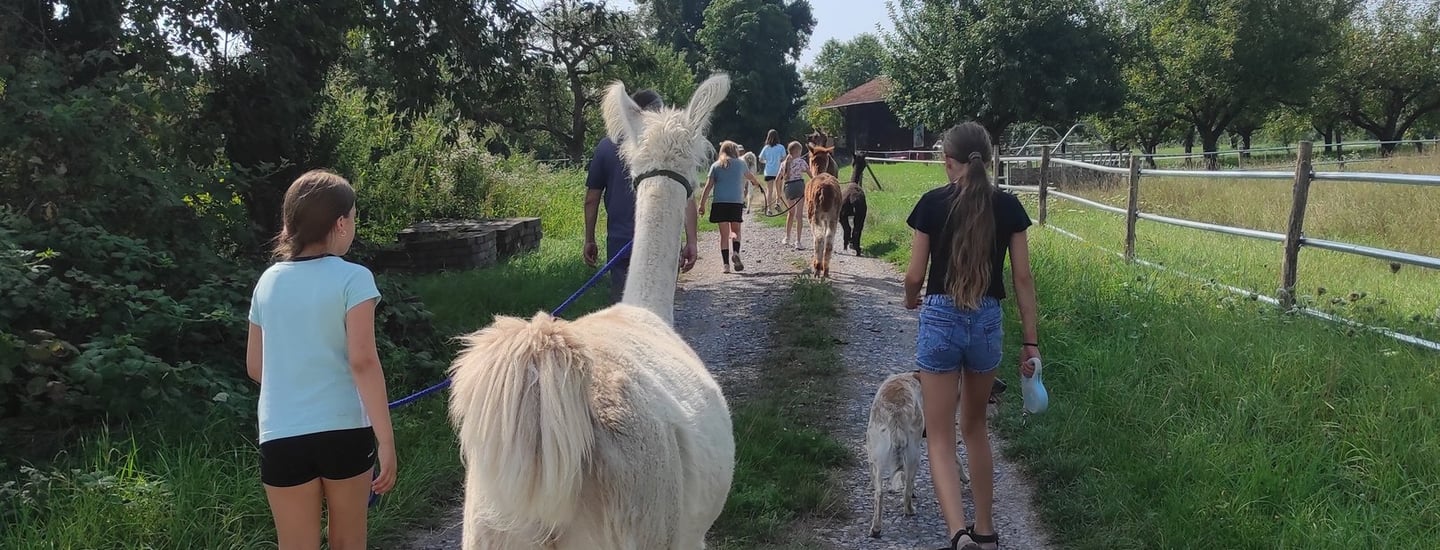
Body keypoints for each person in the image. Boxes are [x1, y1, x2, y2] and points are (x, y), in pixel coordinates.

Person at [901, 122, 1040, 550]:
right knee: (975, 427)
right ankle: (986, 530)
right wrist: (1030, 342)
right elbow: (1022, 278)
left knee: (940, 436)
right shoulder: (1009, 207)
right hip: (986, 320)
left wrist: (910, 299)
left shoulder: (931, 204)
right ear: (989, 160)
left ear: (948, 162)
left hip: (940, 317)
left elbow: (914, 276)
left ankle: (957, 533)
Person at [247, 170, 396, 550]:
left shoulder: (267, 283)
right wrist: (386, 440)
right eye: (354, 218)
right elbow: (363, 361)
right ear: (341, 223)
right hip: (344, 430)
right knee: (348, 542)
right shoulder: (354, 278)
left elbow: (256, 366)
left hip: (281, 435)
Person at [583, 89, 699, 303]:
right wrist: (691, 240)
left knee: (623, 308)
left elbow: (592, 199)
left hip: (620, 243)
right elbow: (687, 196)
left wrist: (589, 239)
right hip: (663, 242)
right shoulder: (672, 145)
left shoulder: (606, 146)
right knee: (658, 307)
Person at [697, 140, 764, 273]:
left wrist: (702, 204)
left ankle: (726, 265)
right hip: (735, 203)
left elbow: (708, 186)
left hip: (719, 203)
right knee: (735, 231)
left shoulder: (716, 165)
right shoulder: (741, 164)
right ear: (735, 151)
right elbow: (750, 177)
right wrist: (757, 184)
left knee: (724, 235)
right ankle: (736, 252)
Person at [777, 140, 810, 249]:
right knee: (799, 215)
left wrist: (778, 194)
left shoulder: (783, 164)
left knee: (791, 213)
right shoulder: (801, 162)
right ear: (798, 151)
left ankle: (787, 237)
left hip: (788, 188)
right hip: (799, 186)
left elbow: (777, 180)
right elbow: (810, 174)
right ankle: (798, 241)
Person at [758, 129, 788, 213]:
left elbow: (760, 159)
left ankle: (769, 209)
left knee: (769, 190)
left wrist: (766, 162)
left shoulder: (766, 147)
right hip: (778, 171)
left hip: (769, 171)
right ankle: (777, 203)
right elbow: (784, 158)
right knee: (779, 189)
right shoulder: (781, 147)